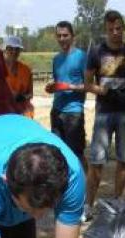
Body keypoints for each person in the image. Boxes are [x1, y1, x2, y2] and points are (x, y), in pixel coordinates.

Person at [84, 10, 125, 218]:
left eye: (118, 28)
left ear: (123, 28)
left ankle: (117, 204)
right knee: (97, 160)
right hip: (103, 114)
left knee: (123, 159)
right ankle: (88, 206)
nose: (115, 33)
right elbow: (88, 83)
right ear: (106, 30)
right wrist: (101, 90)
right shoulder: (96, 52)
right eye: (111, 29)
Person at [46, 21, 88, 167]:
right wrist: (52, 87)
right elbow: (58, 83)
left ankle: (87, 187)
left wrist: (69, 86)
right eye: (59, 36)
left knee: (76, 154)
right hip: (56, 111)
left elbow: (89, 86)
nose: (62, 39)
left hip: (74, 113)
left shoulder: (82, 57)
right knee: (58, 153)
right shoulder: (56, 59)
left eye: (65, 35)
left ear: (72, 36)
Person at [3, 36, 34, 119]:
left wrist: (21, 97)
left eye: (17, 49)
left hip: (22, 111)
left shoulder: (26, 70)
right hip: (2, 111)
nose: (14, 51)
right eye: (11, 48)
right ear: (5, 49)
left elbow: (30, 94)